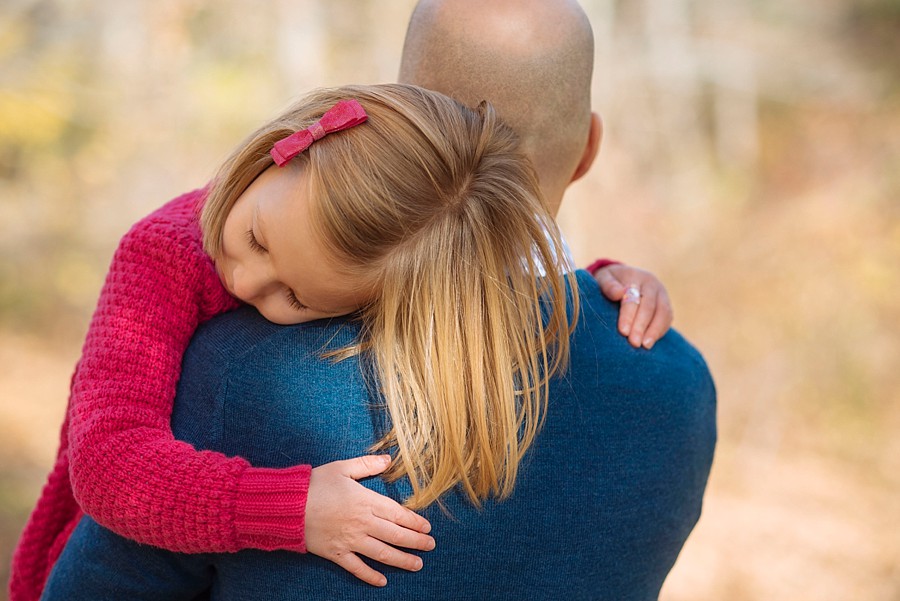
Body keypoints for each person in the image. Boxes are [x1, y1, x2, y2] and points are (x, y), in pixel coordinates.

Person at [37, 0, 716, 599]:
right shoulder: (679, 381)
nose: (244, 284)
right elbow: (108, 460)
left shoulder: (237, 373)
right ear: (590, 147)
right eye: (257, 242)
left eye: (298, 296)